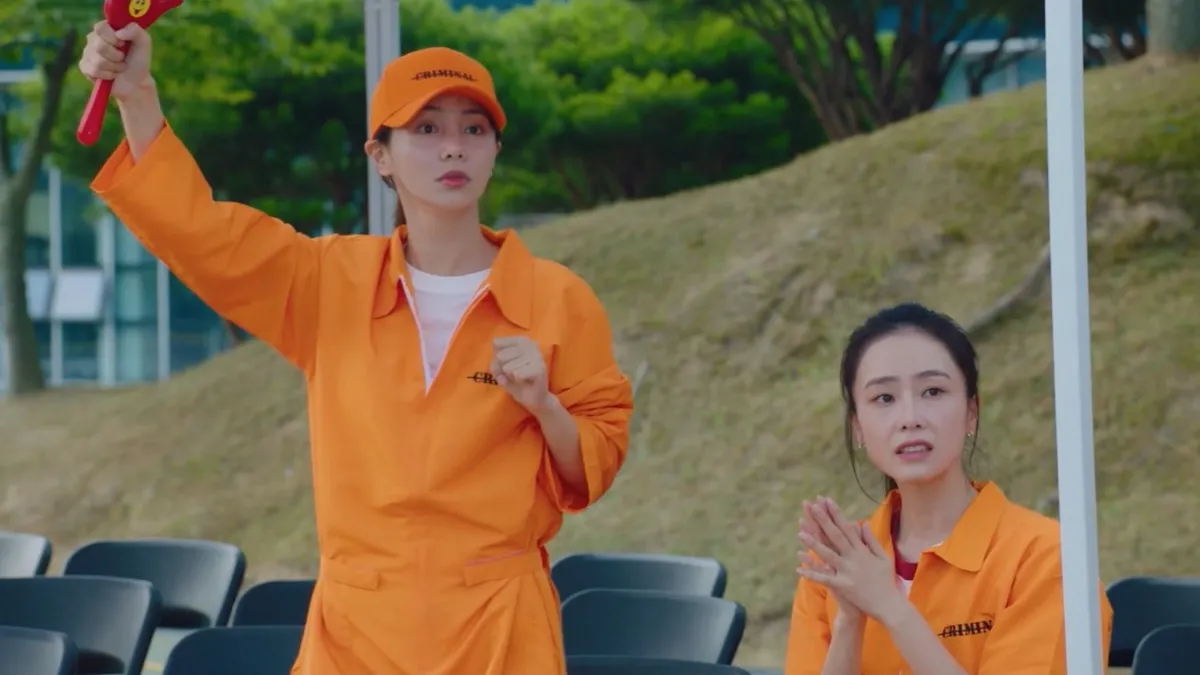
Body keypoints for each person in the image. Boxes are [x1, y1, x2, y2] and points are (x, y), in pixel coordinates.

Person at [79, 21, 633, 675]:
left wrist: (545, 406)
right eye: (426, 128)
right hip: (358, 632)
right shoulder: (328, 282)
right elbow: (202, 233)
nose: (453, 147)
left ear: (493, 151)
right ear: (381, 157)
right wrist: (136, 93)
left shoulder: (558, 299)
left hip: (500, 627)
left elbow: (593, 466)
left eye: (474, 129)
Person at [784, 303, 1113, 675]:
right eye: (884, 398)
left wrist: (890, 607)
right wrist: (849, 620)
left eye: (933, 391)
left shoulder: (1045, 558)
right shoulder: (835, 567)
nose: (910, 418)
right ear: (858, 426)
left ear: (971, 412)